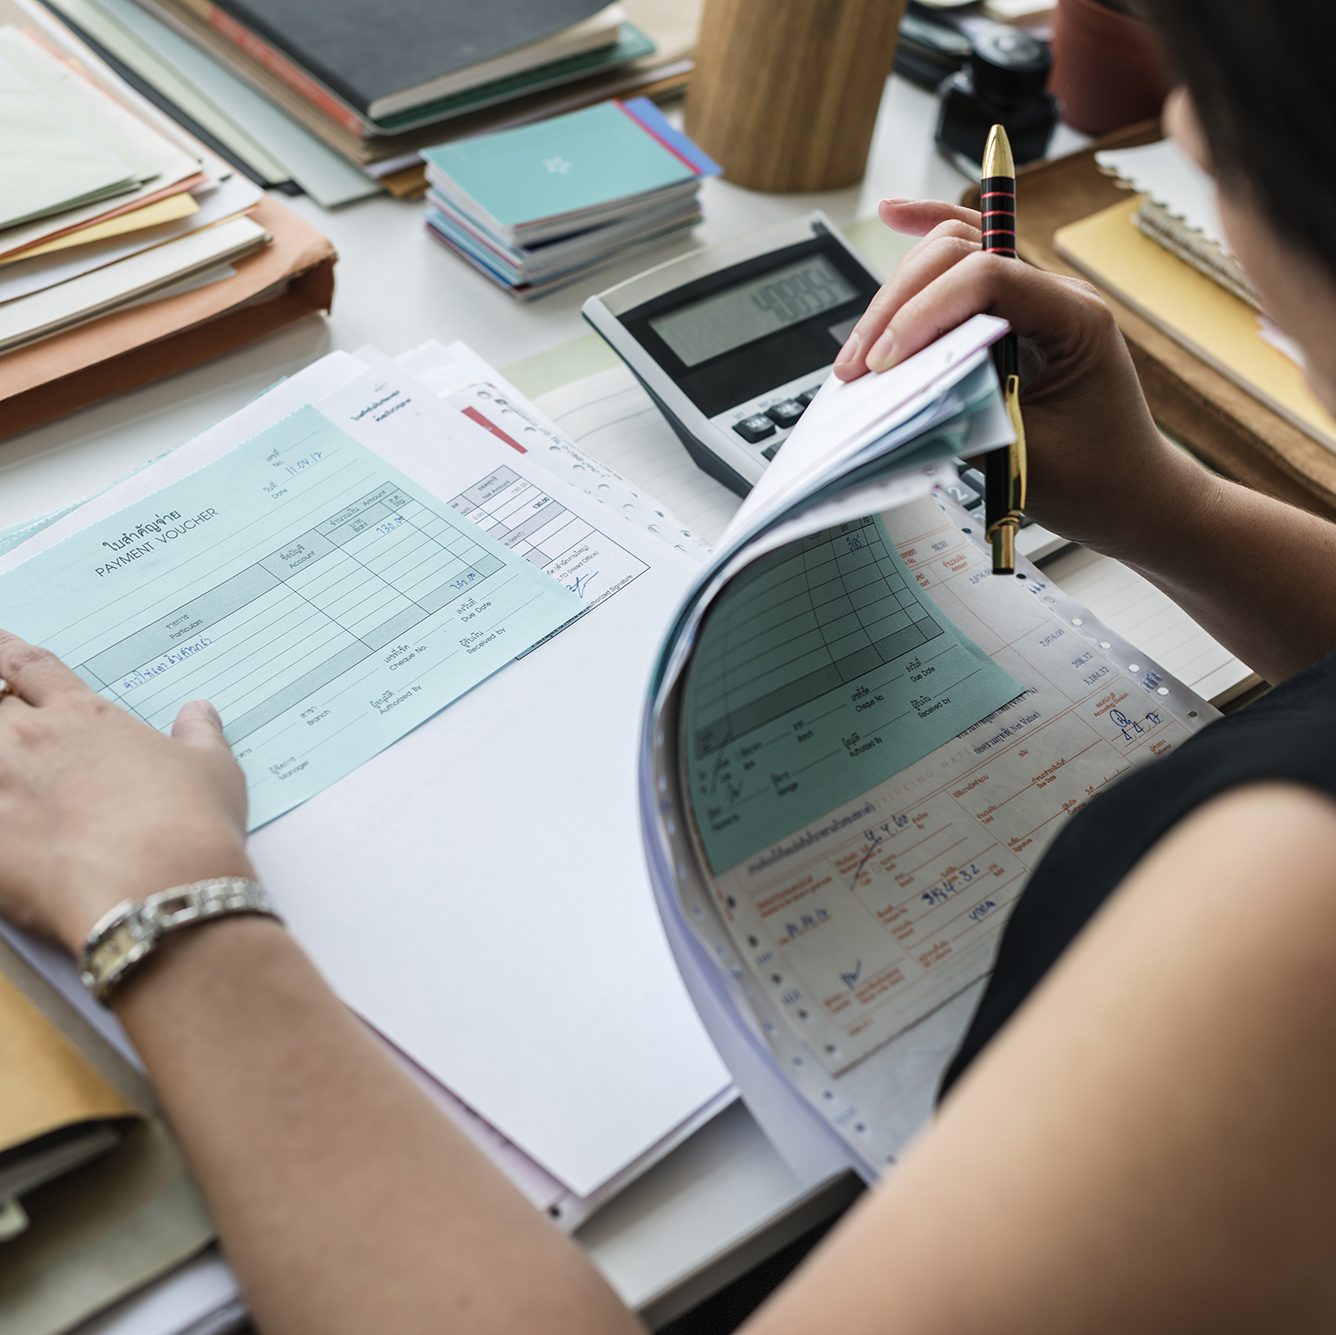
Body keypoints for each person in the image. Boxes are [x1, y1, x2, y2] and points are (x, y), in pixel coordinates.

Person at [5, 2, 1336, 1329]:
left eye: (1210, 78)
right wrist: (1177, 510)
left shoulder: (1289, 908)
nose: (1172, 120)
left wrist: (171, 911)